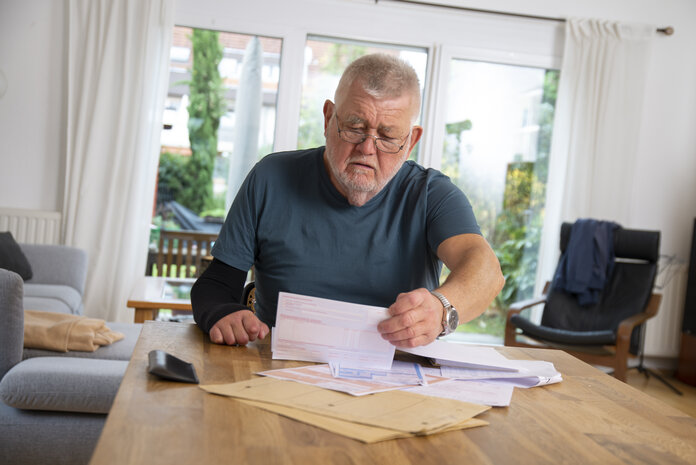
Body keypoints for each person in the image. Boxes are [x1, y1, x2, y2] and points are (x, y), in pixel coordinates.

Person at [191, 53, 504, 348]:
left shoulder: (432, 195)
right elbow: (217, 284)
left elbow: (486, 272)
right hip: (280, 370)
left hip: (397, 378)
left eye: (388, 136)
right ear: (329, 119)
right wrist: (222, 312)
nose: (367, 148)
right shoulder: (271, 178)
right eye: (355, 127)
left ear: (410, 142)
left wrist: (441, 309)